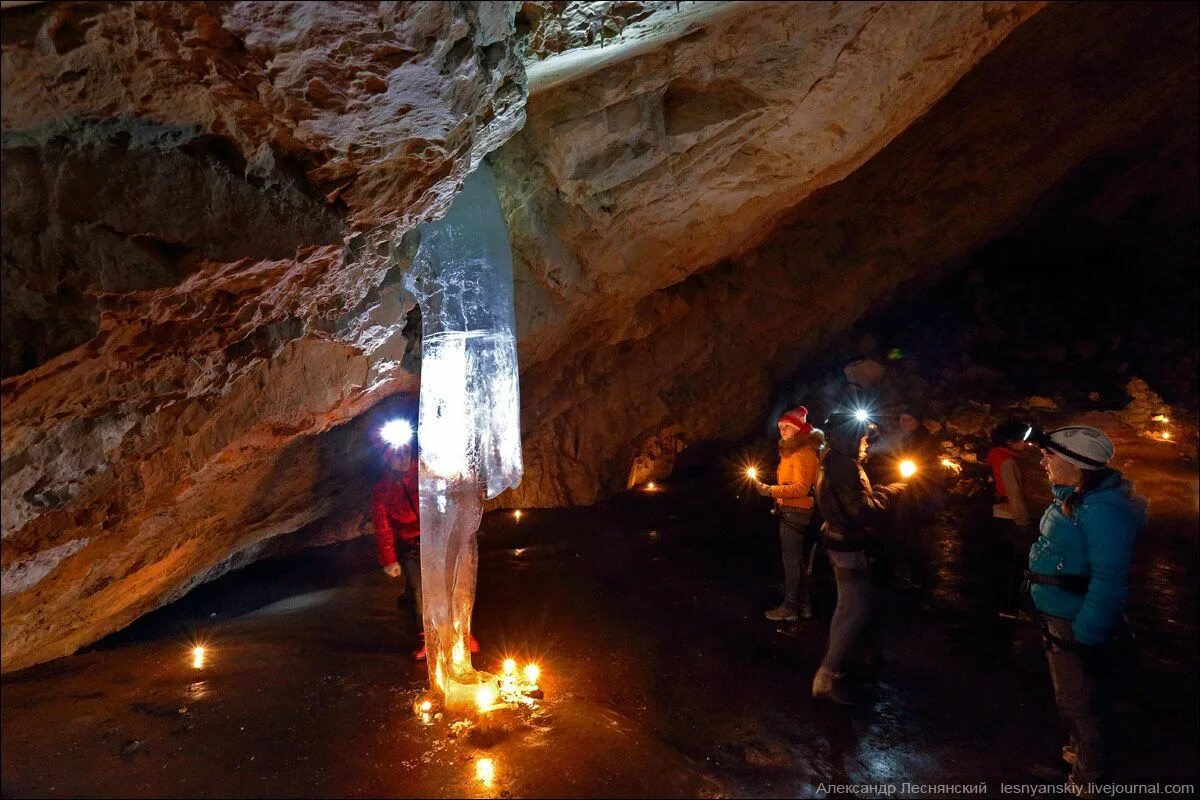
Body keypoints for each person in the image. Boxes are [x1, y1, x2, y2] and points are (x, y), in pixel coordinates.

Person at [1026, 425, 1146, 787]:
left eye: (1050, 456)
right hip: (1057, 612)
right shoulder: (1075, 495)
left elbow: (1109, 580)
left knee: (1083, 702)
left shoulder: (1103, 511)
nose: (1043, 460)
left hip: (1075, 619)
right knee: (1069, 695)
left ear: (1076, 465)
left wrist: (1088, 635)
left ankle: (1089, 778)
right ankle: (1077, 755)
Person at [811, 411, 905, 705]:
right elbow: (860, 512)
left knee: (851, 607)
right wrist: (891, 491)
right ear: (849, 438)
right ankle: (825, 677)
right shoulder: (845, 468)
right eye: (863, 438)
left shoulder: (833, 460)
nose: (866, 443)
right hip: (848, 547)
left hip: (838, 541)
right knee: (853, 610)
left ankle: (841, 664)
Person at [756, 406, 825, 621]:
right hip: (791, 509)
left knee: (791, 561)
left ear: (798, 429)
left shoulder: (803, 452)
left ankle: (789, 608)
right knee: (797, 561)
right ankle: (803, 606)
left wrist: (770, 490)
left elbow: (801, 488)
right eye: (780, 427)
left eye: (787, 426)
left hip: (796, 511)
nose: (782, 430)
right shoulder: (793, 450)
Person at [372, 434, 425, 659]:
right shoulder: (383, 491)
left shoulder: (425, 470)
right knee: (420, 593)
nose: (403, 458)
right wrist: (390, 560)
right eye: (396, 454)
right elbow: (383, 528)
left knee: (447, 586)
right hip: (411, 545)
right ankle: (428, 640)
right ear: (387, 458)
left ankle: (460, 632)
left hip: (435, 539)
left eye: (405, 452)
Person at [987, 420, 1037, 614]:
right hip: (1009, 516)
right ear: (1010, 441)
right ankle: (1010, 606)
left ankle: (1006, 603)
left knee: (1006, 563)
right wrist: (1023, 522)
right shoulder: (1008, 461)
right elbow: (1014, 493)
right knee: (1015, 565)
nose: (1025, 444)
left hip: (1002, 513)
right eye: (1022, 440)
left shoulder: (999, 456)